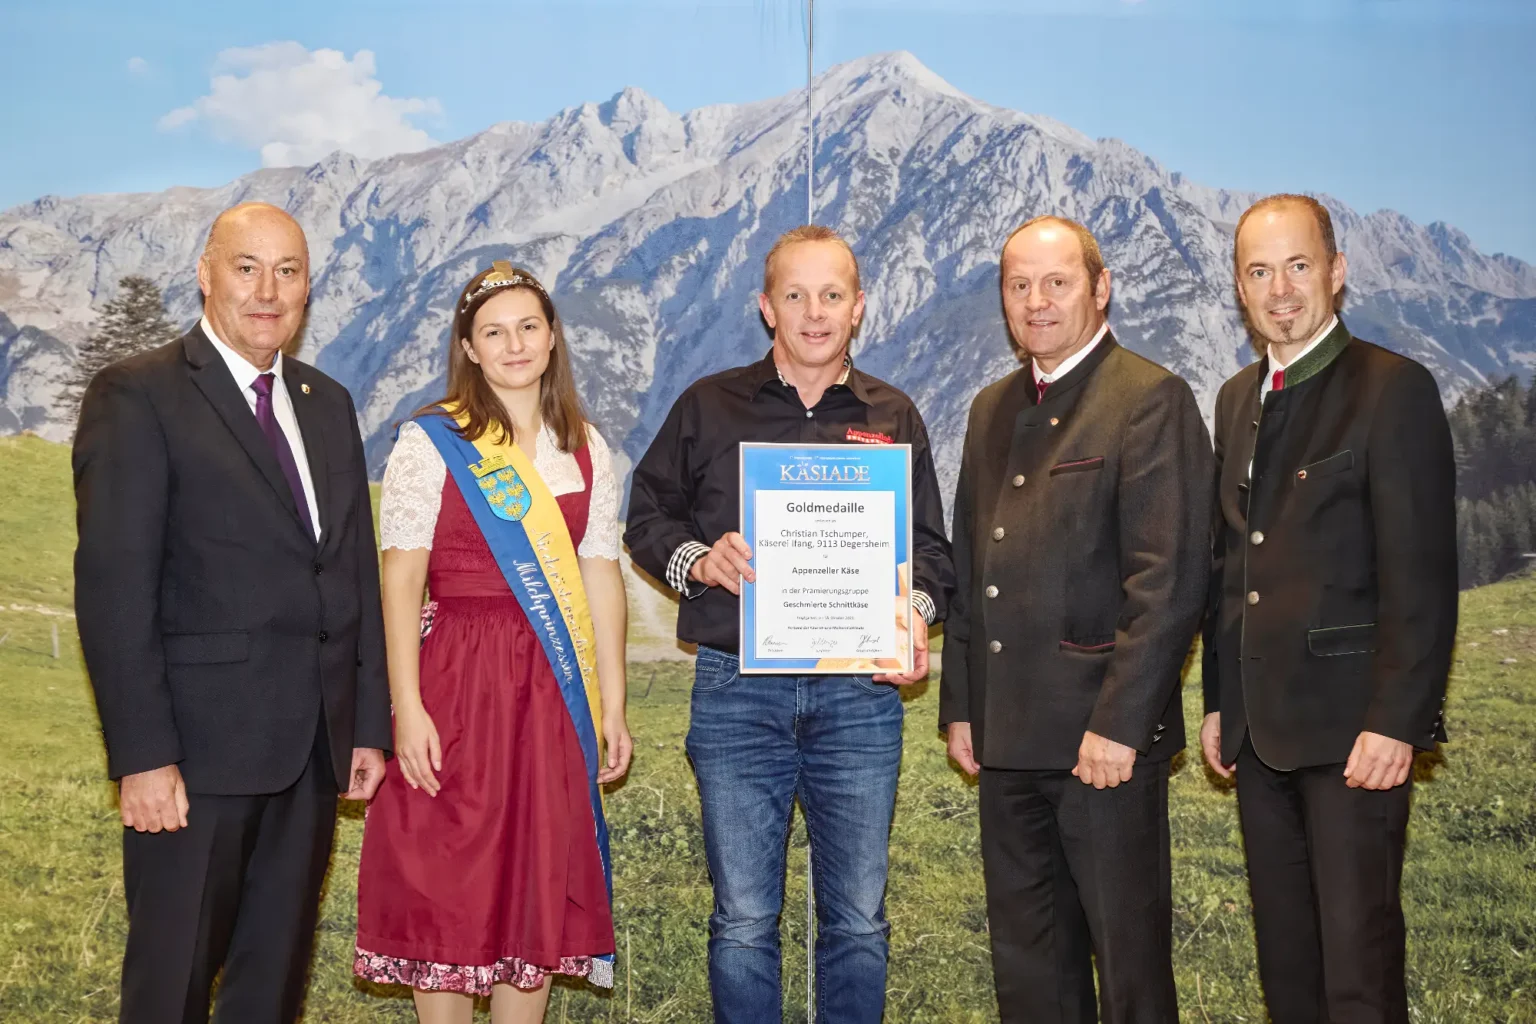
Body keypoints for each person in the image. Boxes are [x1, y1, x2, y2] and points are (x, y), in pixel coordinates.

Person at [624, 225, 953, 1024]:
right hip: (738, 692)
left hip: (859, 698)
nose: (815, 313)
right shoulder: (708, 403)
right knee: (741, 919)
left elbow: (934, 554)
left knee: (859, 920)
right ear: (766, 307)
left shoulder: (894, 414)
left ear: (859, 307)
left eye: (832, 295)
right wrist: (699, 561)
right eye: (796, 296)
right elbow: (645, 516)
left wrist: (909, 617)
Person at [72, 202, 391, 1023]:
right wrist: (142, 756)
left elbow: (351, 568)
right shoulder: (137, 394)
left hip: (311, 756)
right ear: (206, 275)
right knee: (170, 987)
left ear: (309, 288)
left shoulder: (329, 403)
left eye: (287, 271)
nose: (267, 290)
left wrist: (364, 723)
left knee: (270, 989)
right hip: (193, 762)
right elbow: (114, 587)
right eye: (246, 267)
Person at [939, 216, 1211, 1023]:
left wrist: (1120, 726)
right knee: (1030, 973)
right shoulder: (990, 408)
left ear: (1100, 286)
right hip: (1008, 739)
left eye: (1057, 282)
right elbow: (969, 572)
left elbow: (1168, 583)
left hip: (1104, 747)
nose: (1037, 301)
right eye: (1019, 285)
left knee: (1129, 976)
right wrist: (962, 706)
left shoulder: (1150, 398)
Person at [353, 261, 632, 1023]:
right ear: (469, 348)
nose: (514, 345)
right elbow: (401, 578)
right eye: (494, 332)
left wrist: (612, 705)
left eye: (529, 327)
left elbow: (600, 576)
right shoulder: (431, 439)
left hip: (550, 688)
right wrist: (403, 707)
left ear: (552, 337)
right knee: (445, 872)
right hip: (454, 679)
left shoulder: (587, 449)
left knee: (531, 875)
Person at [1201, 194, 1457, 1024]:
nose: (1281, 289)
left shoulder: (1394, 389)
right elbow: (1232, 563)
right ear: (1241, 290)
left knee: (1357, 970)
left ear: (1337, 273)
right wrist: (1217, 702)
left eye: (1299, 265)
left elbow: (1420, 576)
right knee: (1289, 970)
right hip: (1258, 736)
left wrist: (1400, 720)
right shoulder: (1236, 398)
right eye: (1260, 271)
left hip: (1356, 736)